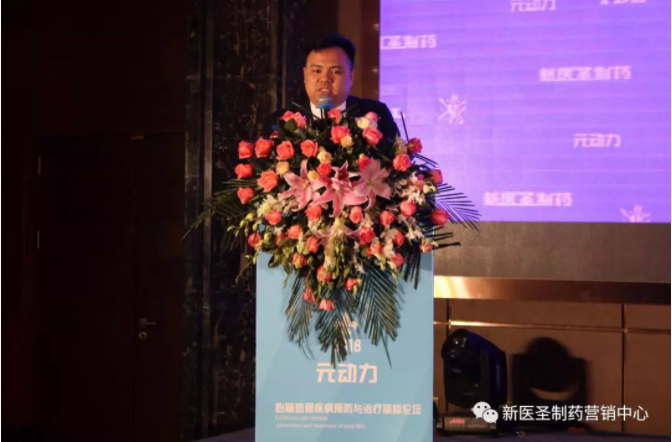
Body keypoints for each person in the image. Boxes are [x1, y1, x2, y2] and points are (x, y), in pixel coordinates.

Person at [261, 33, 400, 142]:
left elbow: (398, 161)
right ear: (304, 75)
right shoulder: (279, 122)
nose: (325, 79)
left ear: (351, 77)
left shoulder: (376, 114)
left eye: (335, 72)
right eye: (317, 71)